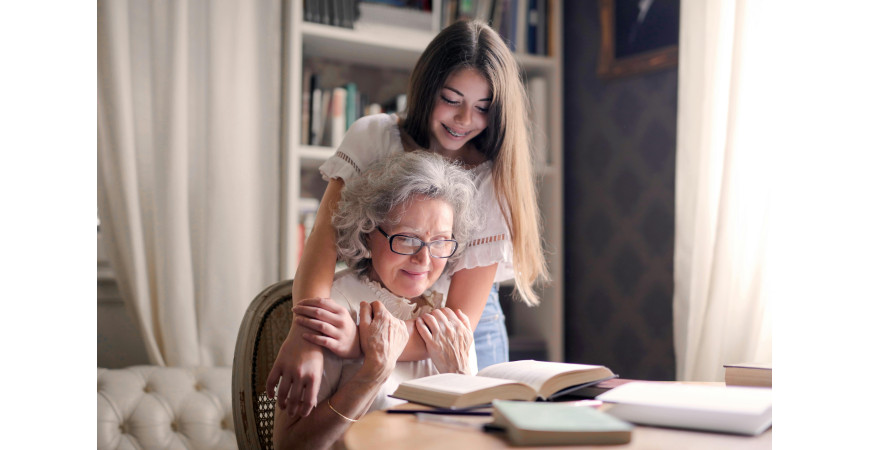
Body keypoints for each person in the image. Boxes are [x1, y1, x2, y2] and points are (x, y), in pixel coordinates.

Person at [267, 19, 550, 419]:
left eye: (483, 108)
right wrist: (306, 336)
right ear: (426, 88)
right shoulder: (374, 137)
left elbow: (460, 320)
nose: (464, 119)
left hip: (460, 328)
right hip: (373, 307)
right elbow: (321, 247)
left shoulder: (491, 177)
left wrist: (358, 344)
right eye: (451, 99)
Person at [272, 151, 478, 449]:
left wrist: (460, 377)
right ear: (368, 232)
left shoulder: (449, 319)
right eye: (407, 238)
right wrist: (371, 376)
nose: (424, 258)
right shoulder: (333, 309)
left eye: (440, 242)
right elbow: (289, 445)